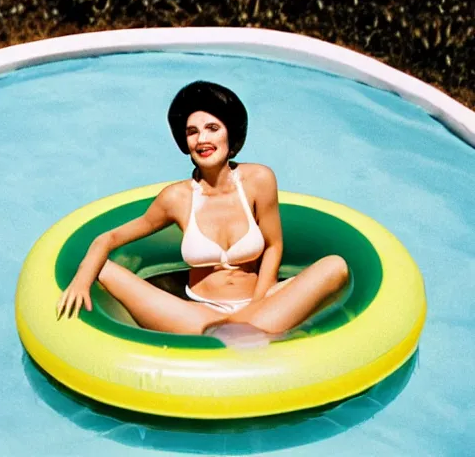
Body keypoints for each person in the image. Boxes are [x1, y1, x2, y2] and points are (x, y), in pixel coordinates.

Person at [57, 81, 348, 338]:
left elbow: (273, 246)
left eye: (212, 128)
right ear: (184, 142)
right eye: (192, 132)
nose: (202, 140)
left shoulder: (259, 180)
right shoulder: (177, 197)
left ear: (229, 134)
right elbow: (108, 240)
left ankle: (237, 331)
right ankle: (242, 334)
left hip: (261, 303)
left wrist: (260, 301)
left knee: (335, 266)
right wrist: (82, 281)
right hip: (198, 316)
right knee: (105, 270)